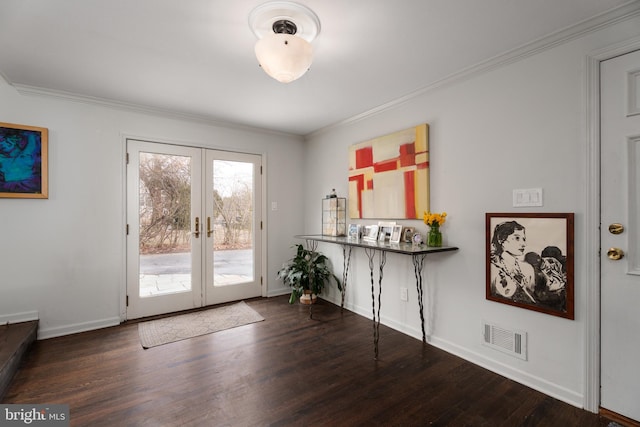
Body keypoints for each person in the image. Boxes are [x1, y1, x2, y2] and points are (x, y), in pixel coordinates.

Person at [490, 221, 537, 303]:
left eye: (524, 239)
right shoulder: (492, 267)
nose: (524, 244)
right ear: (501, 240)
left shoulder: (528, 268)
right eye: (517, 238)